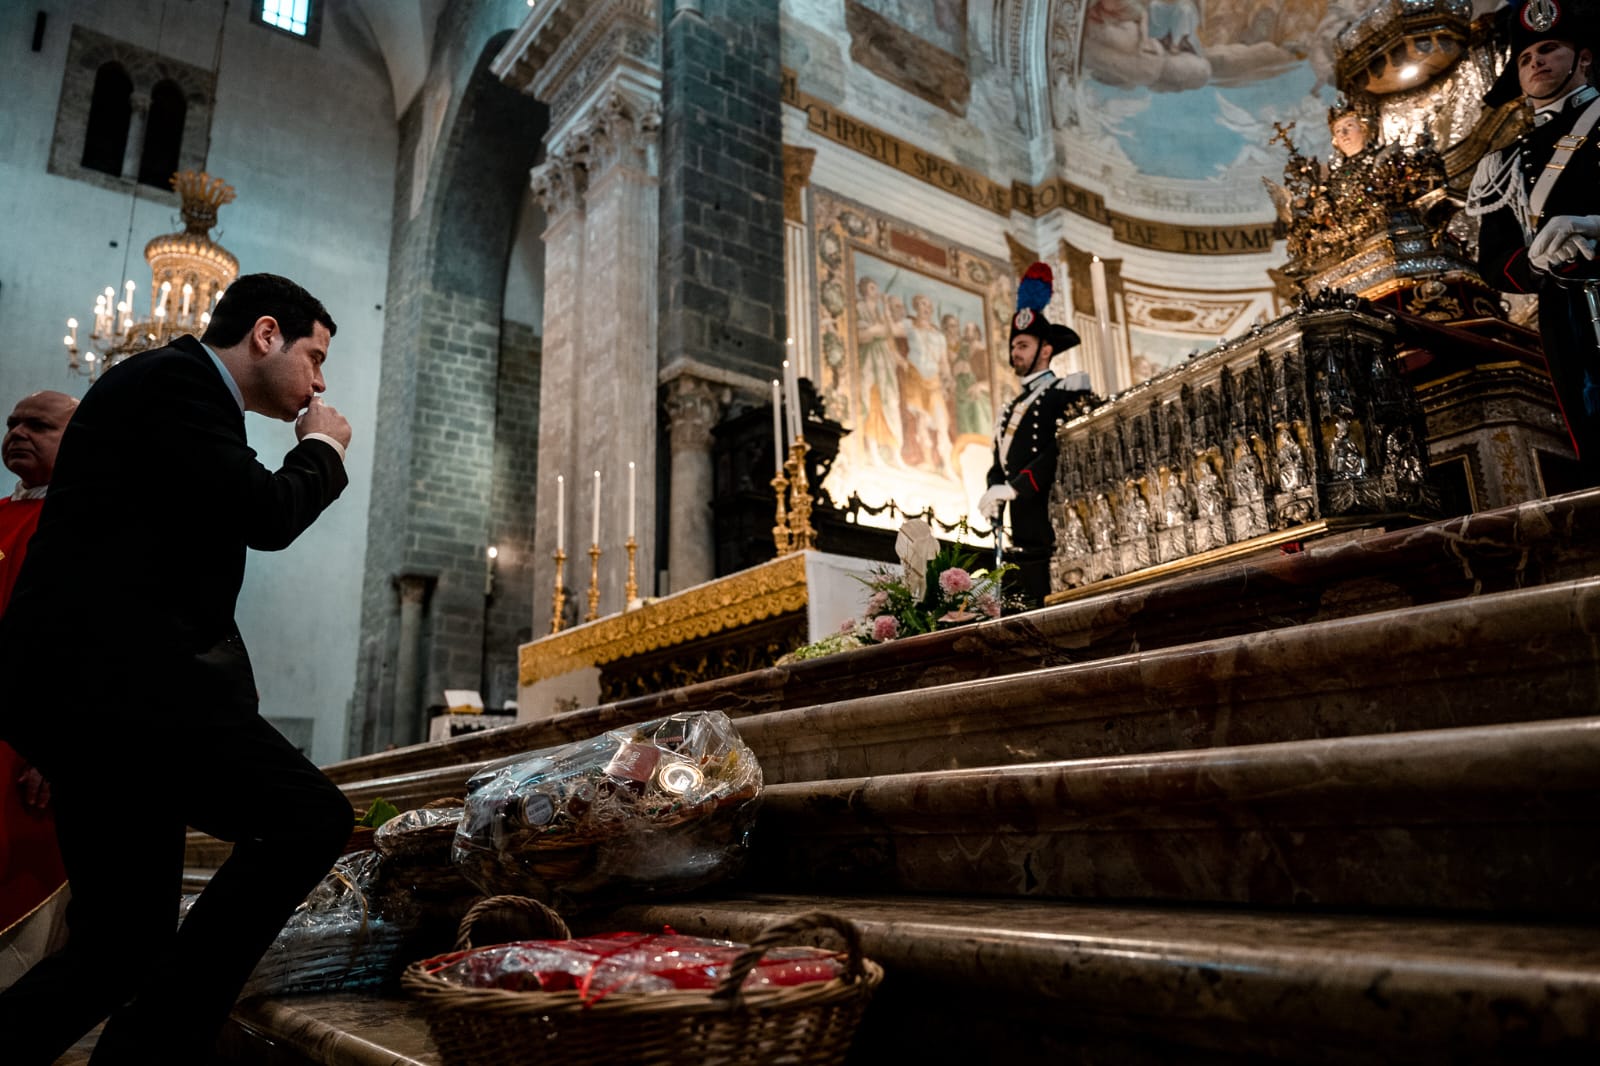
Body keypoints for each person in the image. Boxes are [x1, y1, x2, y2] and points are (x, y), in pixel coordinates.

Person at [0, 273, 356, 1064]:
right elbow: (267, 515)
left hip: (94, 691)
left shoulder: (173, 391)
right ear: (267, 334)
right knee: (309, 818)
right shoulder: (176, 381)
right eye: (316, 356)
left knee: (118, 947)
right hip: (117, 687)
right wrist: (323, 448)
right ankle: (155, 1049)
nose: (319, 382)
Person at [1469, 0, 1600, 485]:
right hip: (1566, 314)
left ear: (1582, 58)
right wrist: (1535, 261)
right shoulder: (1503, 162)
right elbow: (1495, 262)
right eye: (1525, 59)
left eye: (1549, 50)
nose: (1536, 62)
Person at [0, 391, 78, 991]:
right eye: (12, 424)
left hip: (24, 741)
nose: (18, 432)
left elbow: (73, 638)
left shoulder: (78, 523)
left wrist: (52, 747)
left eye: (39, 426)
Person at [977, 262, 1094, 607]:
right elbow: (999, 460)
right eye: (1014, 346)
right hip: (1019, 526)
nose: (1016, 353)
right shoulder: (1009, 408)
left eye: (1024, 346)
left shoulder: (1063, 391)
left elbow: (1062, 450)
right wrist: (993, 491)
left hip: (1052, 518)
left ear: (1046, 350)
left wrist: (1014, 487)